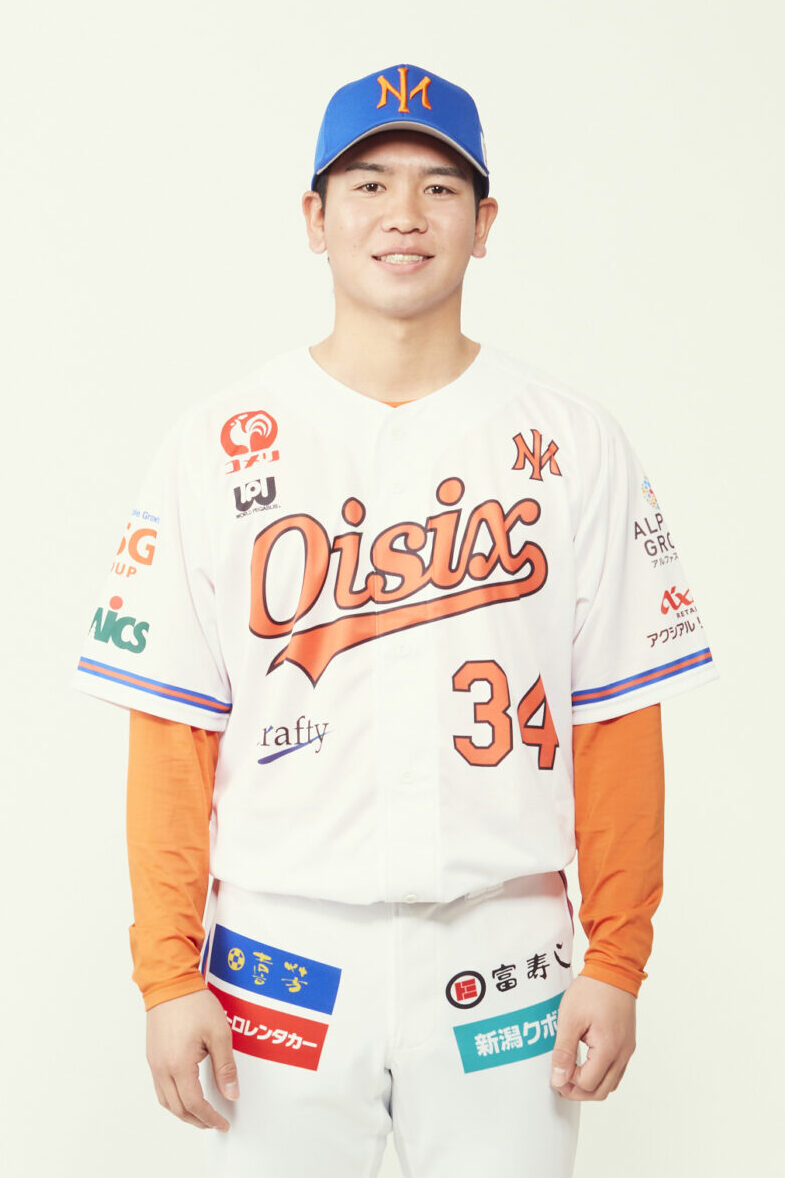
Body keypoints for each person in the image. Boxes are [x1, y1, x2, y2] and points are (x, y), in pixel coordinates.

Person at [73, 63, 717, 1177]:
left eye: (439, 187)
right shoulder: (217, 442)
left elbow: (614, 717)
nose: (403, 214)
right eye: (368, 184)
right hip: (279, 951)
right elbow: (174, 732)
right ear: (314, 218)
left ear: (484, 223)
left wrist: (617, 958)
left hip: (502, 947)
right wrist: (168, 975)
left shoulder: (572, 440)